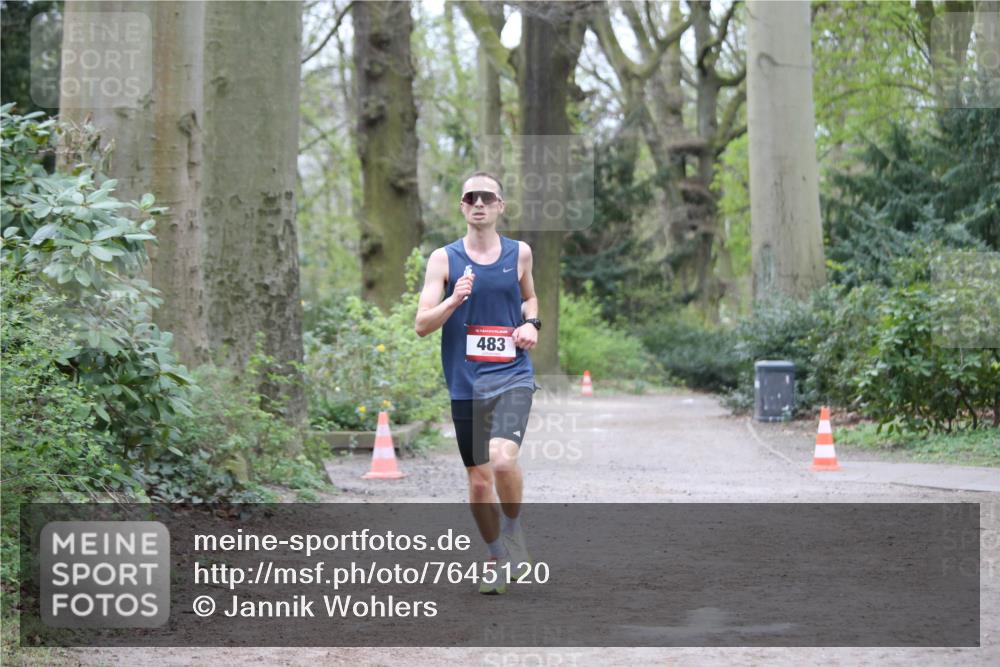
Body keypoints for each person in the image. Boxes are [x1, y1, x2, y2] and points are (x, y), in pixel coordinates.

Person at [415, 171, 540, 595]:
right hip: (466, 383)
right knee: (479, 480)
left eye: (488, 197)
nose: (480, 203)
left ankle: (514, 532)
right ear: (462, 207)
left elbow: (529, 297)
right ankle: (495, 558)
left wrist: (531, 324)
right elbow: (421, 325)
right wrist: (454, 298)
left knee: (502, 462)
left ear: (501, 206)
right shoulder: (444, 259)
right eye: (472, 198)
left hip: (512, 375)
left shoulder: (519, 253)